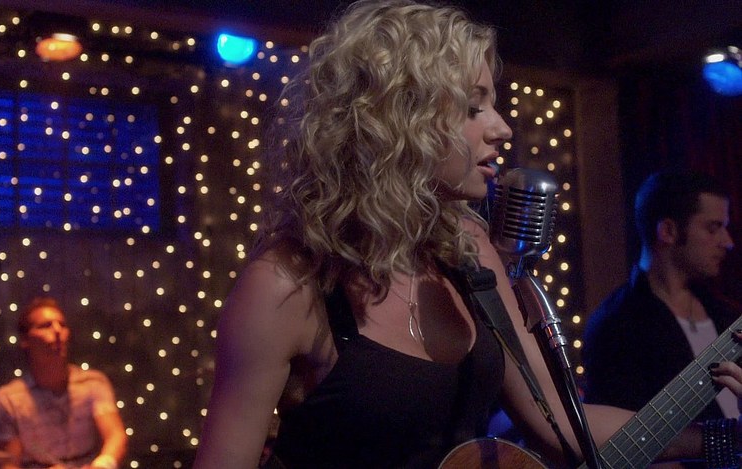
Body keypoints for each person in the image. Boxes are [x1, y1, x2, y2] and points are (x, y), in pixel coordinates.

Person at [193, 1, 742, 467]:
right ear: (397, 117)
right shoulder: (285, 285)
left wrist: (723, 440)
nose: (502, 128)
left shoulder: (470, 252)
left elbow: (563, 424)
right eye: (473, 106)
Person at [582, 170, 738, 464]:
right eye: (713, 228)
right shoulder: (616, 325)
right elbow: (621, 447)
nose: (727, 242)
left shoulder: (726, 313)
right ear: (668, 231)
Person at [0, 297, 128, 469]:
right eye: (45, 325)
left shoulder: (93, 383)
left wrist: (102, 465)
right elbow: (8, 464)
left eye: (62, 324)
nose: (57, 330)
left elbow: (115, 435)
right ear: (24, 339)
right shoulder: (8, 399)